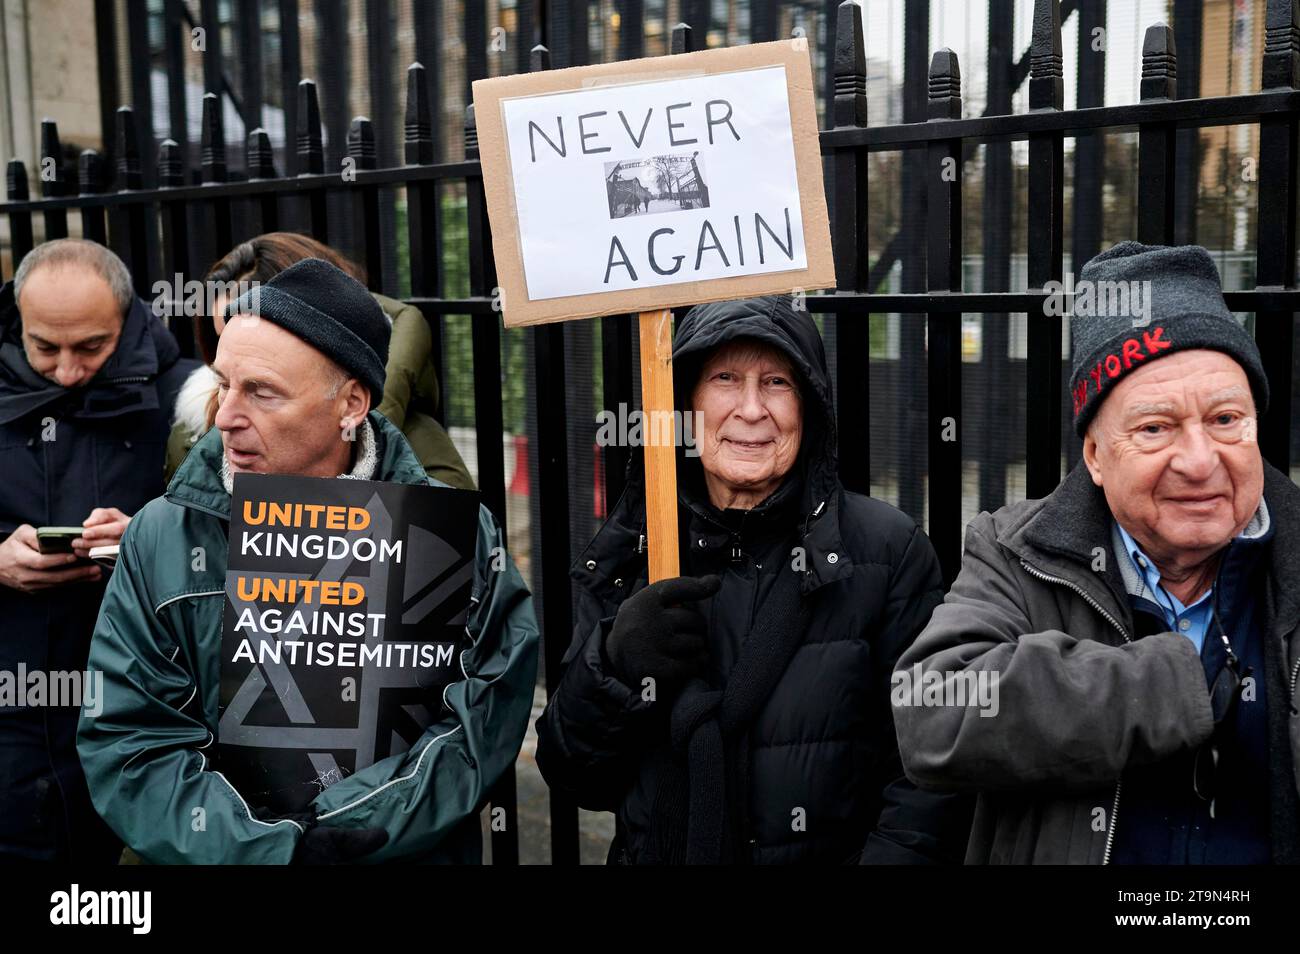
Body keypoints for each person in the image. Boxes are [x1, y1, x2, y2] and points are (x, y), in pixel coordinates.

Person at [76, 258, 538, 863]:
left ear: (350, 404)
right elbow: (132, 740)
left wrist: (344, 832)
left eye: (261, 392)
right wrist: (275, 852)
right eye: (224, 383)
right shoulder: (162, 534)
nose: (225, 416)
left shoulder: (452, 530)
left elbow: (480, 721)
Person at [895, 242, 1300, 864]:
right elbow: (933, 715)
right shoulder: (1015, 551)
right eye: (1154, 428)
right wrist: (1162, 686)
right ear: (1094, 457)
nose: (1199, 461)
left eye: (1225, 419)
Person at [535, 295, 972, 864]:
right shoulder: (637, 546)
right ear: (687, 402)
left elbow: (927, 777)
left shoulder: (888, 552)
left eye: (776, 383)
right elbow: (574, 777)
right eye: (724, 378)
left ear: (808, 406)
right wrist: (614, 665)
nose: (750, 409)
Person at [0, 239, 196, 862]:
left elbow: (241, 544)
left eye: (90, 347)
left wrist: (143, 539)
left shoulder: (190, 399)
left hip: (146, 708)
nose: (65, 371)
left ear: (127, 317)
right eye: (44, 348)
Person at [165, 232, 474, 490]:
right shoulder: (195, 434)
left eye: (262, 331)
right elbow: (186, 527)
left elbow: (448, 547)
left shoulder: (414, 455)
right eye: (222, 336)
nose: (226, 417)